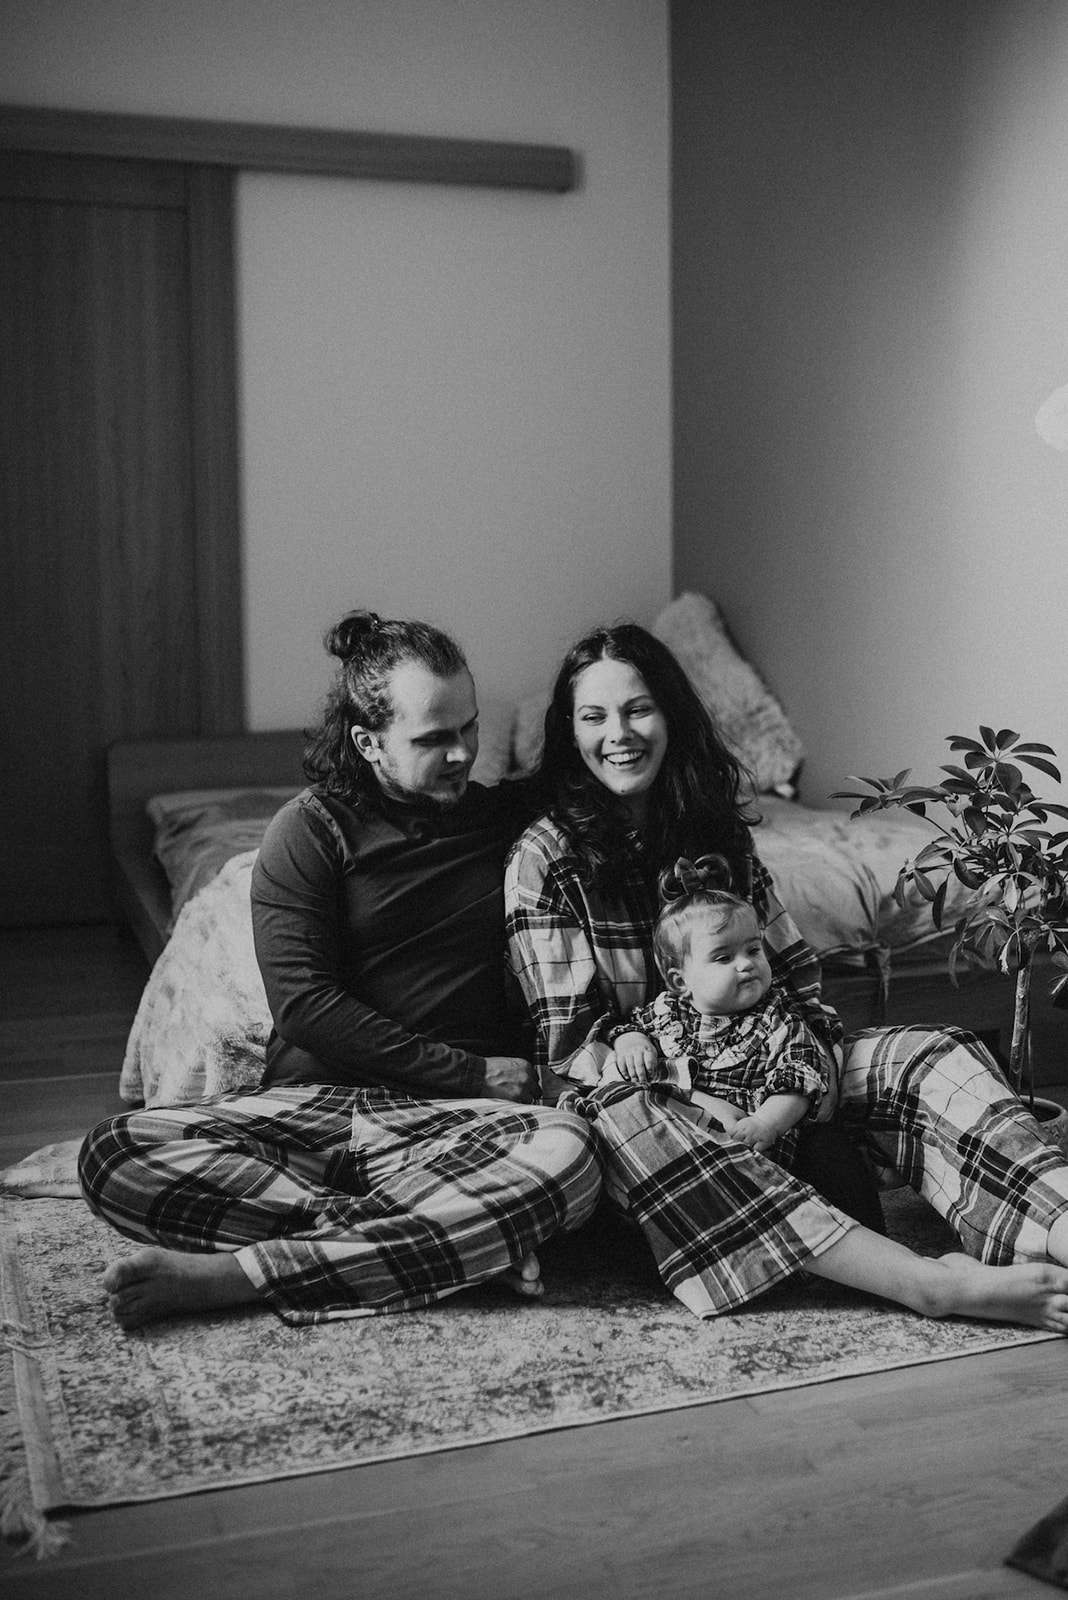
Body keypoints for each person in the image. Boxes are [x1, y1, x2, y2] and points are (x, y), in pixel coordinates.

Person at [505, 621, 1068, 1331]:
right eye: (594, 717)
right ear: (570, 732)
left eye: (638, 709)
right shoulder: (543, 858)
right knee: (630, 1117)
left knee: (933, 1052)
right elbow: (570, 1053)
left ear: (671, 716)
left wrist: (800, 1091)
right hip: (655, 1117)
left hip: (776, 1079)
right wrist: (694, 1094)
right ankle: (925, 1283)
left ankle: (1058, 1227)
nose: (619, 734)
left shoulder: (716, 835)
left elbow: (800, 990)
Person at [78, 611, 600, 1328]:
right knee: (115, 1152)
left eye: (469, 727)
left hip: (454, 1128)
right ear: (368, 742)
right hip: (319, 1110)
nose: (461, 754)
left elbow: (609, 778)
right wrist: (474, 1073)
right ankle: (445, 1238)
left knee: (572, 1154)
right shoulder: (309, 831)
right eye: (432, 739)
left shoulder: (506, 820)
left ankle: (244, 1275)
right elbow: (305, 1007)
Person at [568, 856, 886, 1232]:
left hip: (768, 1141)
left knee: (830, 1150)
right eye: (723, 957)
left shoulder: (777, 1016)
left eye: (753, 950)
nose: (746, 964)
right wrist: (631, 1039)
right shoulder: (665, 1013)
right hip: (695, 1142)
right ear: (680, 980)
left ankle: (864, 1238)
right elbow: (628, 1032)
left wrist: (766, 1123)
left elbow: (800, 1076)